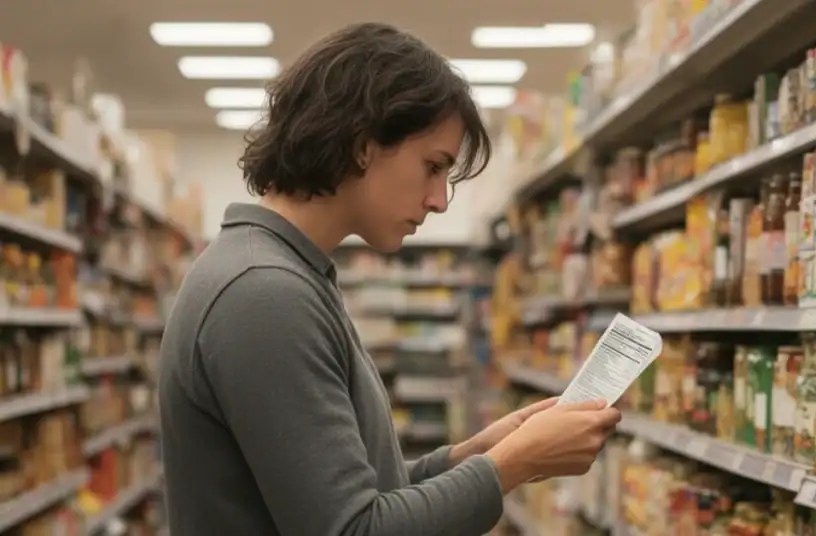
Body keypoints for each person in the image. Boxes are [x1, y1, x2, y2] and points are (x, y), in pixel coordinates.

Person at [158, 22, 621, 536]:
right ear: (364, 143)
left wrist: (476, 455)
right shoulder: (262, 293)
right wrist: (509, 466)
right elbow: (355, 530)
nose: (439, 200)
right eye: (433, 166)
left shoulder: (283, 273)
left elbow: (355, 496)